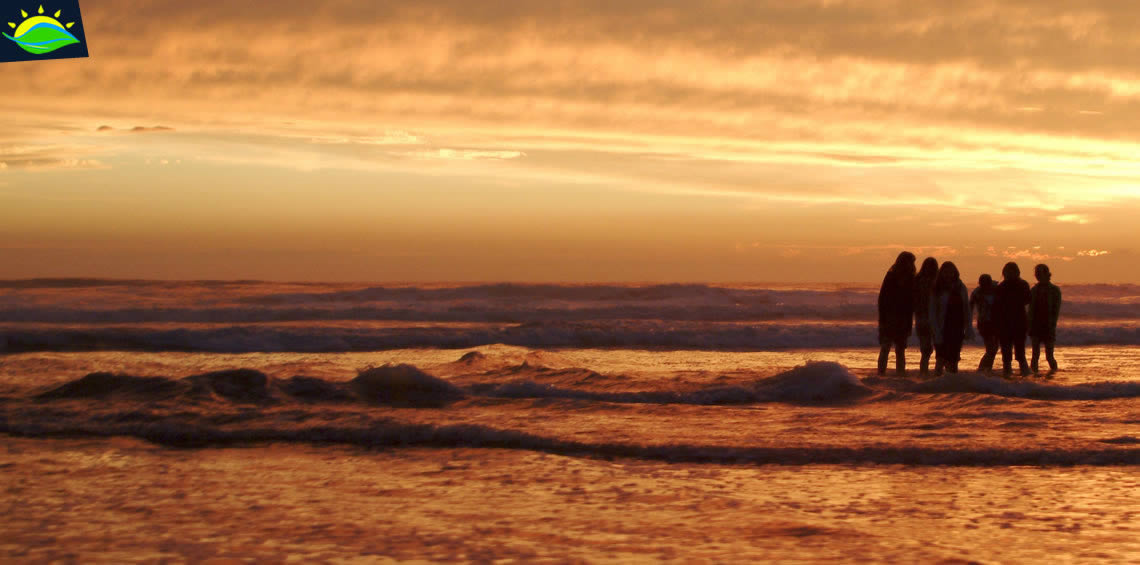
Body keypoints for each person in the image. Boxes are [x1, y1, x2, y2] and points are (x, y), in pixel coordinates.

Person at [877, 251, 917, 375]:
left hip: (902, 318)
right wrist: (882, 318)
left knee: (898, 349)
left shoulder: (911, 278)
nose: (911, 265)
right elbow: (883, 299)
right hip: (891, 317)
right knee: (888, 347)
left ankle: (898, 374)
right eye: (910, 262)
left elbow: (912, 301)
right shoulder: (891, 276)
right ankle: (884, 373)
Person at [930, 261, 973, 374]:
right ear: (941, 273)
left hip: (957, 327)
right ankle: (937, 382)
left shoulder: (960, 286)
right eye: (946, 271)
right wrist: (936, 331)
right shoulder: (937, 287)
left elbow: (966, 308)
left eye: (951, 271)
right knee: (940, 358)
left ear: (955, 272)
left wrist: (969, 327)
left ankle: (952, 384)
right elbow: (932, 311)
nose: (949, 274)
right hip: (942, 327)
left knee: (954, 359)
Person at [994, 262, 1032, 377]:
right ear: (1004, 273)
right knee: (1006, 351)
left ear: (1017, 272)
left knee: (1020, 350)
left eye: (1012, 271)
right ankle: (1009, 374)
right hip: (1005, 322)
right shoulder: (1001, 287)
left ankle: (1023, 374)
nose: (1010, 274)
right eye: (1008, 271)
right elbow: (997, 307)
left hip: (1019, 321)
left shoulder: (1023, 285)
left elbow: (1028, 300)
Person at [1028, 264, 1062, 373]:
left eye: (1040, 273)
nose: (1038, 276)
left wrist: (1052, 325)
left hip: (1048, 326)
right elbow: (1031, 310)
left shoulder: (1054, 290)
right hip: (1035, 326)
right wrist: (1029, 324)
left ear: (1047, 274)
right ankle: (1034, 377)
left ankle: (1054, 374)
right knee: (1035, 356)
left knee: (1049, 356)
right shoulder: (1034, 290)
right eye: (1037, 274)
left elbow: (1055, 311)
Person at [913, 257, 939, 374]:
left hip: (924, 318)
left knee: (928, 349)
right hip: (926, 318)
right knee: (930, 349)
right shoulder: (937, 282)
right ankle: (931, 373)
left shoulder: (918, 280)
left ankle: (925, 373)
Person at [970, 274, 1000, 372]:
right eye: (983, 284)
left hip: (996, 323)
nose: (985, 286)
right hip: (984, 324)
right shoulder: (976, 292)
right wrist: (967, 324)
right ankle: (981, 369)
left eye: (987, 283)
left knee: (993, 349)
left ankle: (987, 369)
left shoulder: (997, 289)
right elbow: (969, 308)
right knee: (991, 349)